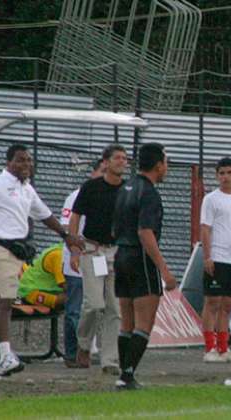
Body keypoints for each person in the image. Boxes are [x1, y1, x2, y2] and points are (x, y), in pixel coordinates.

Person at [0, 144, 80, 381]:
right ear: (9, 163)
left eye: (29, 160)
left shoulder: (26, 189)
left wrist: (67, 236)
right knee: (4, 303)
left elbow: (45, 216)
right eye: (21, 160)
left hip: (12, 252)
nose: (27, 165)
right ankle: (5, 355)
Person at [112, 143, 177, 390]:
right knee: (144, 321)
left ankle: (123, 373)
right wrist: (164, 269)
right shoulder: (149, 193)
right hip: (140, 258)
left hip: (122, 255)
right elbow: (145, 232)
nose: (167, 168)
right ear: (159, 165)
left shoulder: (125, 188)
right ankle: (126, 375)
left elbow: (116, 226)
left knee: (126, 321)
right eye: (166, 163)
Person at [68, 145, 126, 374]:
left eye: (125, 158)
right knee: (94, 304)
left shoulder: (127, 190)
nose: (122, 162)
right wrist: (74, 247)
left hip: (116, 252)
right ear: (106, 162)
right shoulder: (91, 187)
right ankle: (83, 344)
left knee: (115, 308)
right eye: (117, 158)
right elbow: (75, 217)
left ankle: (110, 359)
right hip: (92, 250)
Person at [200, 157, 231, 363]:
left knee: (228, 304)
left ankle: (224, 348)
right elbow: (205, 228)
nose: (226, 177)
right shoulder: (211, 199)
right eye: (222, 173)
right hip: (217, 256)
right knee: (213, 302)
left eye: (229, 172)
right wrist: (208, 256)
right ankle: (210, 348)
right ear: (217, 176)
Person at [60, 159, 105, 368]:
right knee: (76, 307)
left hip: (100, 257)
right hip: (78, 259)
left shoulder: (111, 195)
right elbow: (68, 228)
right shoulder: (77, 196)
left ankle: (92, 347)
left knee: (99, 304)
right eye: (102, 171)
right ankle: (72, 352)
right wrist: (75, 253)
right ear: (93, 173)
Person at [17, 244, 67, 309]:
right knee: (71, 297)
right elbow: (64, 285)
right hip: (31, 291)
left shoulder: (65, 252)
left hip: (49, 289)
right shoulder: (58, 255)